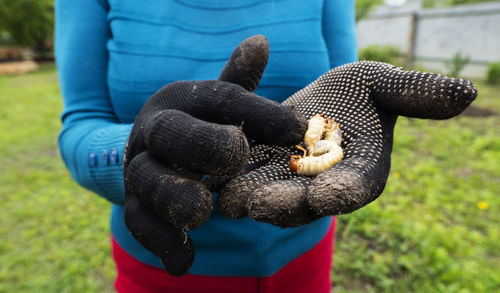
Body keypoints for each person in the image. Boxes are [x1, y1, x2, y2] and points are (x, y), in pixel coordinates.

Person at [56, 1, 477, 293]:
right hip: (160, 265)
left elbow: (341, 81)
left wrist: (355, 94)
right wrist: (133, 149)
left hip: (305, 255)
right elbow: (81, 123)